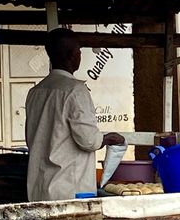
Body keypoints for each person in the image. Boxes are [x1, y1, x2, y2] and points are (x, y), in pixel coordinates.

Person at [25, 28, 125, 201]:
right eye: (79, 51)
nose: (80, 55)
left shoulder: (35, 92)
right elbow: (88, 140)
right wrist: (108, 138)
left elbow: (31, 138)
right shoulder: (75, 90)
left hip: (38, 189)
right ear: (72, 56)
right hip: (69, 191)